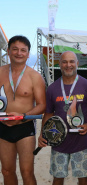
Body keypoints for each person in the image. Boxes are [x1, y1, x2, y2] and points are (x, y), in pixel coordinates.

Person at [38, 51, 87, 185]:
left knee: (83, 178)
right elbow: (48, 113)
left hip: (81, 142)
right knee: (57, 178)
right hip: (58, 141)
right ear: (60, 64)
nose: (68, 65)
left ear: (77, 64)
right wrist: (43, 134)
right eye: (64, 62)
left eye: (71, 62)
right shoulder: (52, 89)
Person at [0, 35, 46, 185]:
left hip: (24, 127)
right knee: (6, 171)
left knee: (27, 172)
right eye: (15, 49)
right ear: (8, 51)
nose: (19, 53)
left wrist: (23, 116)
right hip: (2, 127)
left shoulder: (35, 76)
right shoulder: (0, 72)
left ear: (28, 53)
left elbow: (41, 105)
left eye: (23, 50)